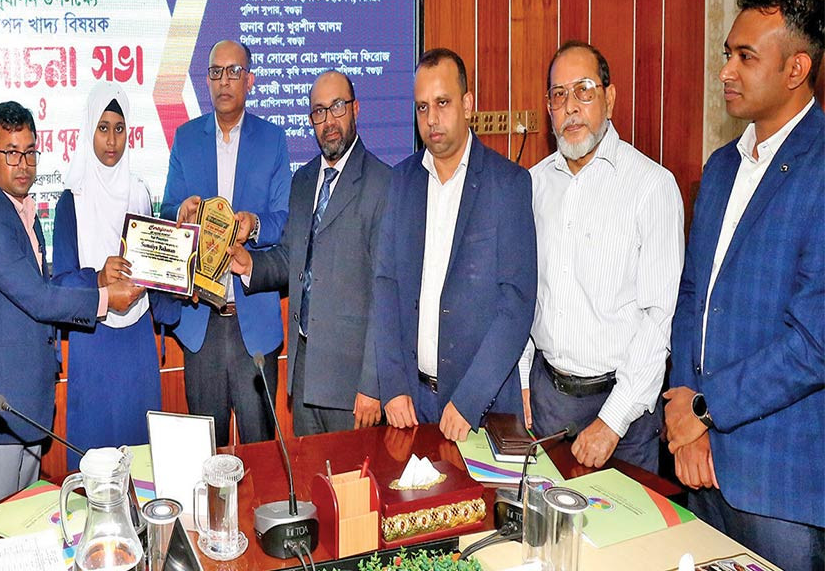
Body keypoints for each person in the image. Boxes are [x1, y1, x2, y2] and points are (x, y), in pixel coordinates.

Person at [664, 0, 824, 571]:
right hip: (700, 464)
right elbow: (692, 298)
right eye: (727, 53)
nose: (726, 71)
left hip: (780, 484)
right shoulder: (721, 167)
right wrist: (687, 419)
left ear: (796, 68)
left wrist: (705, 408)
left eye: (746, 57)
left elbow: (813, 344)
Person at [0, 101, 143, 508]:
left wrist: (97, 278)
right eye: (11, 153)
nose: (23, 164)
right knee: (0, 532)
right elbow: (39, 299)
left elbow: (43, 284)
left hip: (25, 402)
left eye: (30, 152)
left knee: (25, 522)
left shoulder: (21, 209)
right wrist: (105, 299)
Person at [519, 41, 684, 475]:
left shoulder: (652, 187)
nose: (570, 107)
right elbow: (522, 295)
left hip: (624, 412)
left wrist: (612, 421)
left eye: (584, 90)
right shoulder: (532, 185)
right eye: (559, 95)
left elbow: (659, 317)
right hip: (546, 401)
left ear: (609, 99)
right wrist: (521, 379)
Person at [370, 48, 536, 442]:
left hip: (481, 408)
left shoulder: (508, 184)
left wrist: (469, 400)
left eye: (442, 103)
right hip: (411, 404)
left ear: (467, 104)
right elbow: (385, 285)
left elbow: (516, 305)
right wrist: (392, 385)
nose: (431, 118)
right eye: (422, 107)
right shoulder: (401, 181)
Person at [228, 70, 392, 436]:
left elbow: (386, 296)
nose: (329, 120)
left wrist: (373, 384)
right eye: (319, 111)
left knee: (352, 476)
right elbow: (292, 258)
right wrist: (250, 264)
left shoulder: (383, 184)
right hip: (304, 375)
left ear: (356, 109)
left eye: (337, 107)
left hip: (354, 386)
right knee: (307, 473)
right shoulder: (302, 181)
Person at [159, 39, 292, 445]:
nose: (224, 81)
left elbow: (285, 220)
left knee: (261, 452)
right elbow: (166, 211)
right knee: (206, 455)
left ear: (249, 80)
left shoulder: (272, 140)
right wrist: (180, 213)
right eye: (216, 72)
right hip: (201, 324)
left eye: (234, 71)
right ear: (207, 81)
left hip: (254, 325)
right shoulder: (186, 138)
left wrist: (254, 226)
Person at [52, 82, 173, 468]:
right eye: (103, 128)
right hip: (94, 340)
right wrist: (98, 278)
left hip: (137, 341)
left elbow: (155, 263)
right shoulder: (71, 199)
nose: (111, 140)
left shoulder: (140, 193)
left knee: (141, 457)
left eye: (119, 129)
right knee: (95, 458)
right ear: (90, 129)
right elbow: (60, 282)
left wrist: (178, 269)